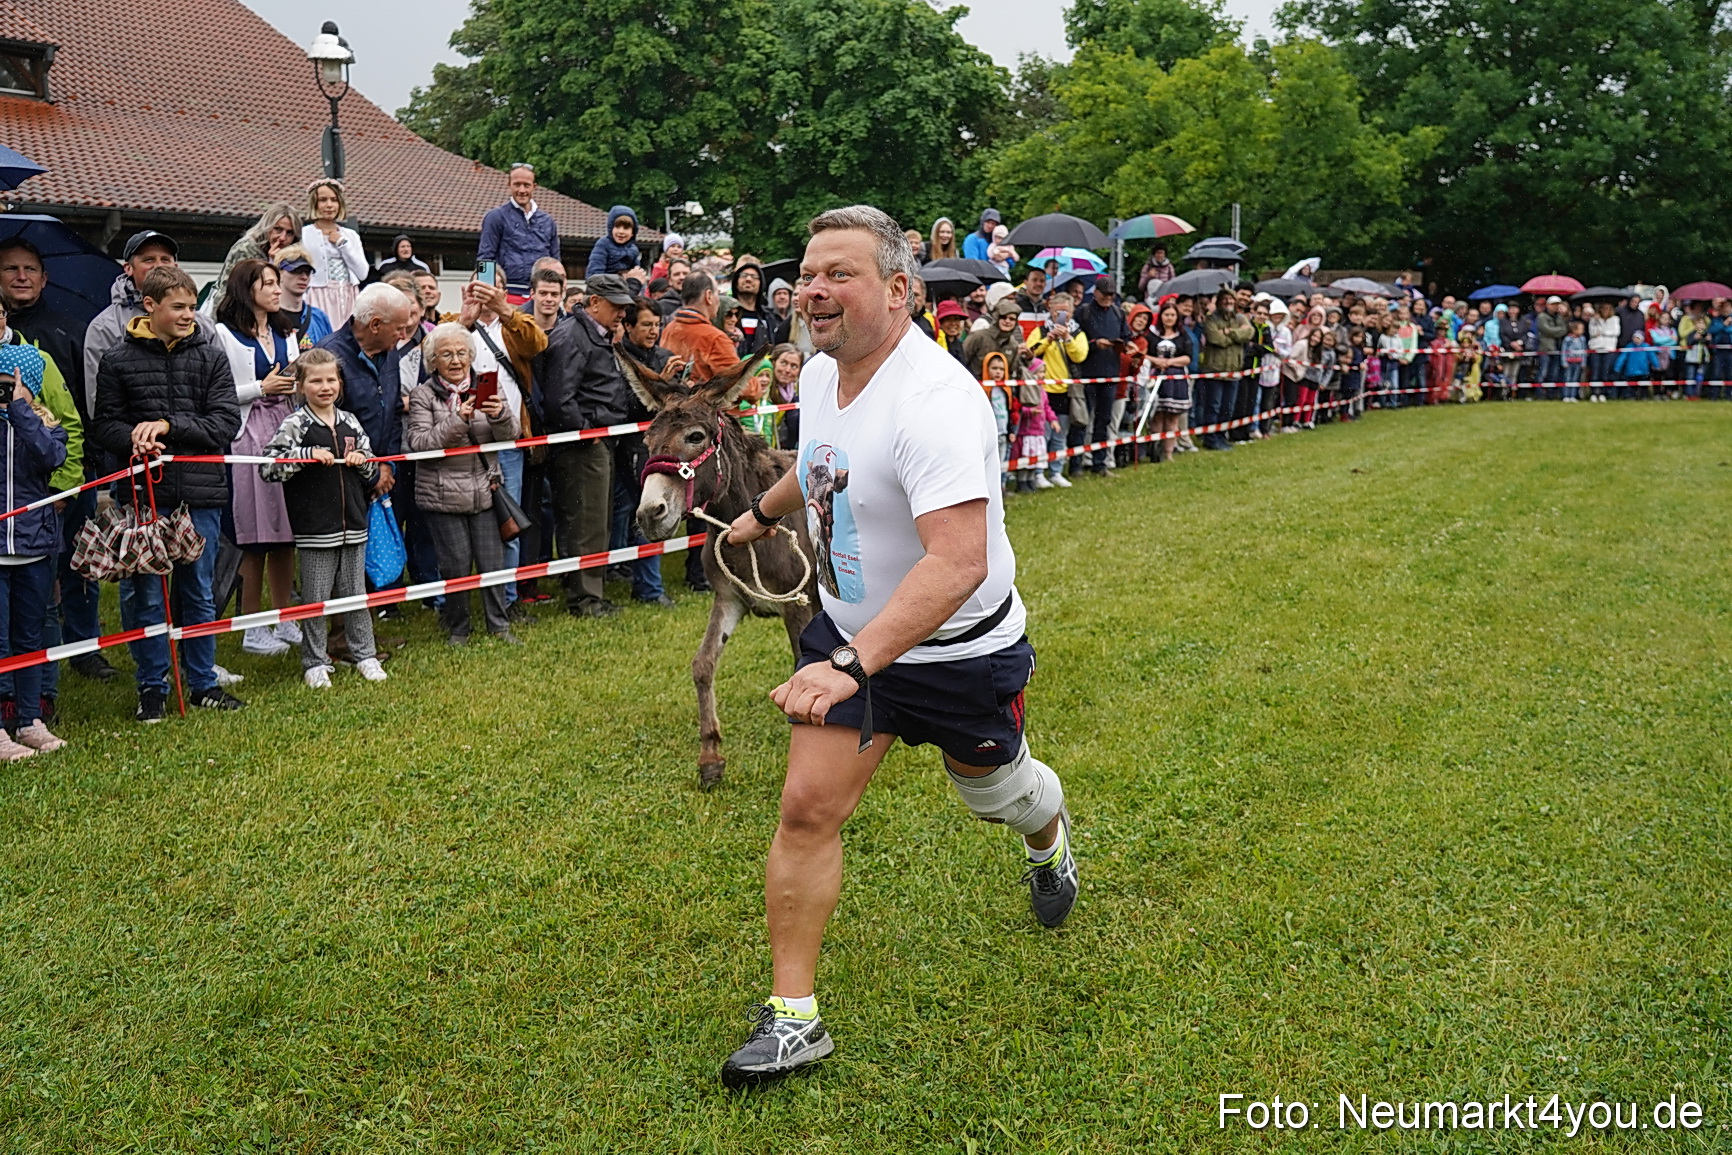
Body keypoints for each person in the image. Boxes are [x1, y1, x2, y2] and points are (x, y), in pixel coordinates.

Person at [716, 205, 1073, 1089]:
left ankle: (1048, 837)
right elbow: (824, 460)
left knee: (997, 794)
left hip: (959, 655)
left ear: (901, 291)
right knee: (805, 808)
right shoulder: (824, 374)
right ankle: (795, 1018)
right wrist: (760, 513)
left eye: (839, 274)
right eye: (807, 273)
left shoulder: (938, 401)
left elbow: (957, 563)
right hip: (850, 633)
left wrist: (847, 663)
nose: (813, 290)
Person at [92, 265, 245, 721]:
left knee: (198, 590)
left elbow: (226, 423)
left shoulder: (211, 356)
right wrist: (133, 438)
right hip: (144, 495)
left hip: (200, 492)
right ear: (150, 305)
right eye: (178, 307)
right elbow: (105, 425)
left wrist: (169, 426)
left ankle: (203, 683)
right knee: (148, 594)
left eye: (192, 307)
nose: (188, 315)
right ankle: (152, 687)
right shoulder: (118, 359)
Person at [257, 349, 388, 686]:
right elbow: (268, 467)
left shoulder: (350, 422)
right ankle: (314, 661)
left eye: (331, 379)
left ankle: (366, 655)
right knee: (315, 598)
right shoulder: (295, 423)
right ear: (301, 385)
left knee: (355, 595)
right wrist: (305, 455)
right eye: (316, 380)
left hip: (355, 525)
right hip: (315, 527)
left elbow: (373, 469)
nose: (325, 386)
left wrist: (363, 462)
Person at [407, 323, 521, 645]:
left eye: (461, 353)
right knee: (456, 567)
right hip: (443, 494)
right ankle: (458, 629)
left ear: (471, 355)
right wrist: (459, 420)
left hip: (485, 490)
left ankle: (499, 627)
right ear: (433, 361)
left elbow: (510, 435)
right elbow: (419, 443)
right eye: (446, 354)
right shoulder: (423, 396)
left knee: (492, 563)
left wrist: (498, 415)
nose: (456, 360)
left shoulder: (488, 387)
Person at [532, 272, 635, 617]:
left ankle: (587, 591)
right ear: (594, 303)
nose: (622, 313)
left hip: (597, 439)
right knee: (587, 523)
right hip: (583, 443)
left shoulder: (589, 333)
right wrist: (587, 430)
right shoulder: (573, 336)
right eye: (616, 306)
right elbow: (560, 399)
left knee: (593, 521)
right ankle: (587, 600)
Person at [213, 259, 302, 658]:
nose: (275, 289)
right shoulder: (223, 335)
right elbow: (218, 392)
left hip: (285, 430)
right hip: (247, 435)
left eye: (275, 282)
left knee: (286, 533)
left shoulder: (286, 332)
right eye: (266, 283)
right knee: (254, 534)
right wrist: (259, 387)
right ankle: (252, 625)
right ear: (245, 289)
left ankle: (285, 616)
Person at [457, 274, 547, 614]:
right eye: (477, 284)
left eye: (492, 284)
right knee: (466, 523)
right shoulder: (454, 322)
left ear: (504, 291)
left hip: (508, 437)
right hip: (463, 439)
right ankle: (458, 600)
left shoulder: (514, 324)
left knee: (509, 520)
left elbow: (538, 344)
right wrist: (466, 320)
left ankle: (507, 600)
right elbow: (433, 352)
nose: (483, 289)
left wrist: (503, 310)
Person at [0, 345, 68, 757]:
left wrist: (22, 413)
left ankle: (29, 719)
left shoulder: (45, 425)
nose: (5, 394)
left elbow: (51, 456)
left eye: (12, 386)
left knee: (29, 636)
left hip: (33, 546)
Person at [317, 285, 409, 507]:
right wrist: (370, 472)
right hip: (342, 482)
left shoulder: (390, 352)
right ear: (375, 324)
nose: (404, 335)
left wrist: (387, 463)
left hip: (384, 477)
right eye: (399, 328)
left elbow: (394, 412)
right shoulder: (327, 356)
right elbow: (322, 425)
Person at [84, 230, 180, 421]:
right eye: (149, 260)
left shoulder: (200, 323)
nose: (159, 266)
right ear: (128, 268)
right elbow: (99, 401)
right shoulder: (105, 326)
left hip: (191, 440)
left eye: (165, 259)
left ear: (176, 266)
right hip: (133, 442)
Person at [1025, 290, 1087, 485]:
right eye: (1057, 311)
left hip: (1066, 391)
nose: (1062, 315)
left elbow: (1080, 356)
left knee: (1060, 434)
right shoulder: (1040, 331)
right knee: (1042, 434)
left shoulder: (1078, 333)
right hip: (1043, 391)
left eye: (1066, 311)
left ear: (1072, 311)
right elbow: (1030, 352)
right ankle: (1038, 473)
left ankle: (1056, 471)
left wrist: (1067, 338)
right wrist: (1048, 339)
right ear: (1050, 311)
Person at [1073, 274, 1130, 473]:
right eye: (1105, 294)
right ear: (1095, 292)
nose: (1108, 298)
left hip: (1110, 372)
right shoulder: (1083, 312)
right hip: (1088, 371)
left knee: (1103, 420)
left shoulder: (1118, 313)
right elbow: (1074, 338)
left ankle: (1099, 462)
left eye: (1111, 295)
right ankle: (1076, 463)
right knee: (1081, 420)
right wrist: (1093, 344)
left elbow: (1126, 337)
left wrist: (1125, 347)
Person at [479, 165, 562, 295]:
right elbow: (485, 257)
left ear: (534, 186)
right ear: (509, 185)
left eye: (526, 185)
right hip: (508, 293)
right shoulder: (495, 217)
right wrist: (485, 292)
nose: (521, 190)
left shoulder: (548, 221)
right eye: (517, 184)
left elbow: (555, 261)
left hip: (540, 294)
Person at [300, 179, 367, 327]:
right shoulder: (304, 234)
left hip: (347, 294)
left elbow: (362, 273)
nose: (329, 205)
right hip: (317, 295)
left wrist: (342, 244)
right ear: (315, 203)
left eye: (334, 200)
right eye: (323, 200)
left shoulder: (350, 235)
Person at [214, 202, 302, 310]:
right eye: (278, 229)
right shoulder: (246, 248)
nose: (282, 238)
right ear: (267, 227)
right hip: (233, 311)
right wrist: (272, 264)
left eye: (289, 233)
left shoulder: (292, 255)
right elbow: (245, 290)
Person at [658, 271, 740, 380]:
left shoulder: (669, 328)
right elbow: (744, 387)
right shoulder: (714, 338)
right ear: (708, 295)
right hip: (703, 397)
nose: (719, 300)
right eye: (718, 293)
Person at [1199, 288, 1253, 450]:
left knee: (1228, 407)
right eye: (1225, 299)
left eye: (1231, 299)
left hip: (1234, 369)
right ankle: (1210, 438)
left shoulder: (1241, 317)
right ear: (1219, 301)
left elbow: (1249, 333)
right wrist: (1236, 335)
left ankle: (1222, 436)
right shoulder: (1211, 319)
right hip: (1214, 370)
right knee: (1213, 406)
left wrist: (1228, 332)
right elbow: (1216, 339)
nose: (1228, 302)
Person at [1142, 301, 1193, 460]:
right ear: (1161, 316)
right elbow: (1143, 353)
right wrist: (1156, 361)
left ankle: (1169, 453)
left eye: (1172, 315)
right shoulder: (1151, 334)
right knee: (1157, 415)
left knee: (1172, 417)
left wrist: (1169, 362)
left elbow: (1187, 358)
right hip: (1156, 377)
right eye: (1166, 315)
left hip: (1176, 379)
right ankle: (1155, 453)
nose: (1169, 318)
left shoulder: (1183, 335)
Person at [273, 247, 333, 347]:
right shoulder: (266, 316)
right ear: (279, 274)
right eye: (296, 270)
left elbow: (331, 354)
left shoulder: (319, 317)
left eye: (307, 272)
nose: (304, 277)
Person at [961, 298, 1028, 380]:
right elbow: (961, 361)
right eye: (1003, 317)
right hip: (974, 386)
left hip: (999, 390)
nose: (1007, 321)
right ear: (997, 319)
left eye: (1012, 319)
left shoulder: (1013, 344)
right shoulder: (978, 336)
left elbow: (1011, 372)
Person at [730, 259, 774, 356]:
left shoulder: (768, 317)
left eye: (754, 277)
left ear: (761, 284)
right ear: (736, 282)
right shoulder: (727, 314)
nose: (748, 279)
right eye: (744, 275)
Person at [587, 205, 643, 278]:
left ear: (633, 232)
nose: (621, 231)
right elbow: (595, 274)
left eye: (626, 228)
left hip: (626, 286)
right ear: (611, 228)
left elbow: (637, 274)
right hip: (606, 285)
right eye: (617, 227)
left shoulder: (633, 250)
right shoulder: (603, 245)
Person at [769, 343, 803, 450]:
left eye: (794, 366)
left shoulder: (795, 392)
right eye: (783, 363)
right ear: (773, 363)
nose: (788, 370)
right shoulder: (763, 388)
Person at [933, 300, 970, 367]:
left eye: (956, 319)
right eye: (948, 319)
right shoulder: (935, 345)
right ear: (940, 323)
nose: (953, 323)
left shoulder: (959, 344)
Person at [1561, 319, 1587, 402]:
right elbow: (1564, 351)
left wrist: (1583, 362)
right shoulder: (1567, 339)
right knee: (1567, 379)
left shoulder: (1582, 339)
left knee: (1575, 380)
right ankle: (1566, 396)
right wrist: (1564, 362)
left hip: (1578, 362)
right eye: (1580, 329)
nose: (1582, 331)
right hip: (1569, 362)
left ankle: (1573, 396)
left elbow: (1584, 351)